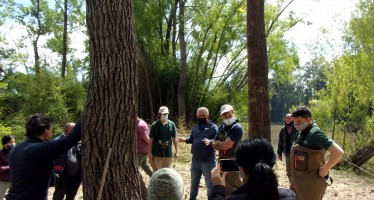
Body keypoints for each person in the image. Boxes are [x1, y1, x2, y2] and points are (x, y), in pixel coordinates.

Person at [6, 113, 81, 200]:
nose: (51, 133)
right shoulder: (40, 149)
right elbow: (72, 138)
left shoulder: (16, 149)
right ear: (45, 129)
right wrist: (86, 112)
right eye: (50, 129)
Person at [210, 137, 296, 200]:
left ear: (241, 168)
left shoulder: (234, 198)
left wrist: (218, 187)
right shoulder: (289, 195)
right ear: (272, 163)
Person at [290, 106, 344, 200]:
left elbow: (338, 152)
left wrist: (325, 169)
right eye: (294, 122)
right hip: (299, 181)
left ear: (309, 119)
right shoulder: (302, 131)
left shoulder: (315, 133)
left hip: (310, 184)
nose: (296, 124)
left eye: (298, 122)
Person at [178, 107, 218, 199]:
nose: (201, 117)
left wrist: (211, 141)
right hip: (195, 160)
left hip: (208, 161)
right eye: (199, 116)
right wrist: (185, 139)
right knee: (193, 184)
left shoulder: (213, 127)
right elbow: (192, 139)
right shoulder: (196, 127)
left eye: (203, 115)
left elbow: (217, 140)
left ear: (207, 116)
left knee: (210, 185)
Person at [212, 104, 243, 195]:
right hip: (221, 159)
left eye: (228, 114)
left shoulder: (237, 128)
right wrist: (220, 144)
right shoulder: (222, 127)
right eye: (224, 114)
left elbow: (227, 146)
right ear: (222, 116)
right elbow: (215, 143)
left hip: (232, 159)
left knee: (234, 184)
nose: (227, 116)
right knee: (223, 183)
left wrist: (219, 144)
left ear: (232, 112)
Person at [52, 123, 82, 200]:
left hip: (76, 174)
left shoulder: (80, 141)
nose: (75, 132)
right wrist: (56, 170)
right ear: (66, 130)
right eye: (72, 130)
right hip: (62, 173)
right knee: (59, 194)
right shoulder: (57, 141)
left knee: (72, 194)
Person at [277, 113, 298, 182]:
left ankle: (295, 181)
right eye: (286, 118)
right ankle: (290, 181)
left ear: (293, 119)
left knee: (295, 168)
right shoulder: (282, 130)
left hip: (296, 153)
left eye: (289, 118)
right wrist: (279, 153)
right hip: (287, 152)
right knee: (288, 169)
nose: (287, 120)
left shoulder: (297, 129)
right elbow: (280, 142)